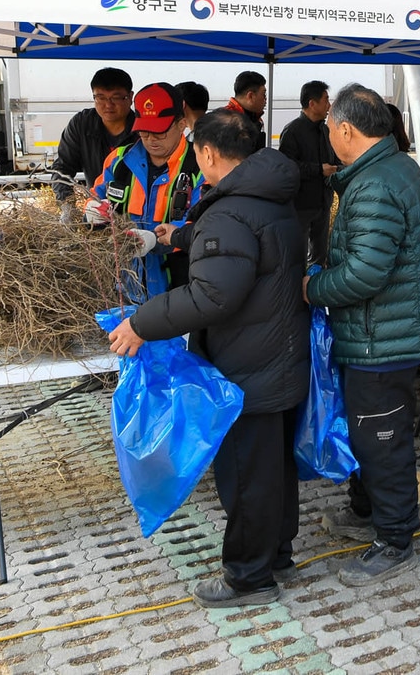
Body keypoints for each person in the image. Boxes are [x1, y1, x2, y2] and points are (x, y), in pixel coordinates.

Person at [108, 110, 309, 608]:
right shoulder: (269, 197)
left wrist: (141, 321)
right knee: (272, 468)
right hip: (280, 352)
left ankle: (248, 577)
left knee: (245, 476)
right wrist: (170, 236)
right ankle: (274, 555)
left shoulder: (230, 211)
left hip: (248, 364)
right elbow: (236, 251)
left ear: (209, 153)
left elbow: (213, 295)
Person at [305, 84, 420, 586]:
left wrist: (312, 288)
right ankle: (366, 509)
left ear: (345, 129)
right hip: (378, 334)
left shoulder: (375, 183)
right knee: (367, 433)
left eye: (329, 131)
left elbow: (365, 274)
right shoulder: (390, 168)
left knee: (383, 440)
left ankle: (395, 538)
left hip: (384, 339)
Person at [87, 83, 201, 298]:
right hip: (124, 289)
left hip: (179, 292)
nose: (151, 139)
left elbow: (202, 226)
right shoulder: (119, 161)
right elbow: (95, 196)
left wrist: (156, 240)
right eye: (144, 131)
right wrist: (92, 209)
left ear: (182, 123)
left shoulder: (200, 167)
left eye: (159, 131)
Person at [50, 67, 136, 203]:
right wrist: (67, 205)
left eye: (116, 98)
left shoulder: (142, 130)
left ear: (130, 97)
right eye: (100, 98)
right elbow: (62, 167)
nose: (108, 105)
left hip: (135, 211)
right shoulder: (82, 124)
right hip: (96, 208)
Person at [278, 81, 340, 267]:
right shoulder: (293, 131)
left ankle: (315, 291)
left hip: (323, 202)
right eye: (326, 100)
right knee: (296, 255)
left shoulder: (325, 129)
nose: (329, 105)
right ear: (312, 104)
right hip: (301, 205)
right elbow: (287, 167)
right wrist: (319, 169)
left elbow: (333, 158)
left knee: (319, 255)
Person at [225, 70, 268, 150]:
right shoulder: (225, 120)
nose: (265, 100)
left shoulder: (255, 118)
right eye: (264, 94)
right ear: (250, 96)